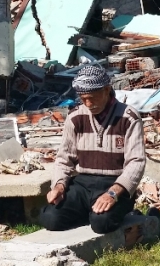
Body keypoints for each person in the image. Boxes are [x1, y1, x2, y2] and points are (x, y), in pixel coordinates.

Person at [39, 65, 146, 234]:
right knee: (50, 218)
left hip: (114, 184)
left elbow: (136, 162)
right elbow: (63, 159)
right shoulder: (75, 117)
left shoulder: (129, 117)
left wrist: (113, 193)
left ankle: (106, 213)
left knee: (101, 223)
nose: (88, 104)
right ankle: (90, 212)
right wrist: (59, 185)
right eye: (83, 99)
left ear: (106, 90)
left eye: (92, 98)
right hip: (82, 183)